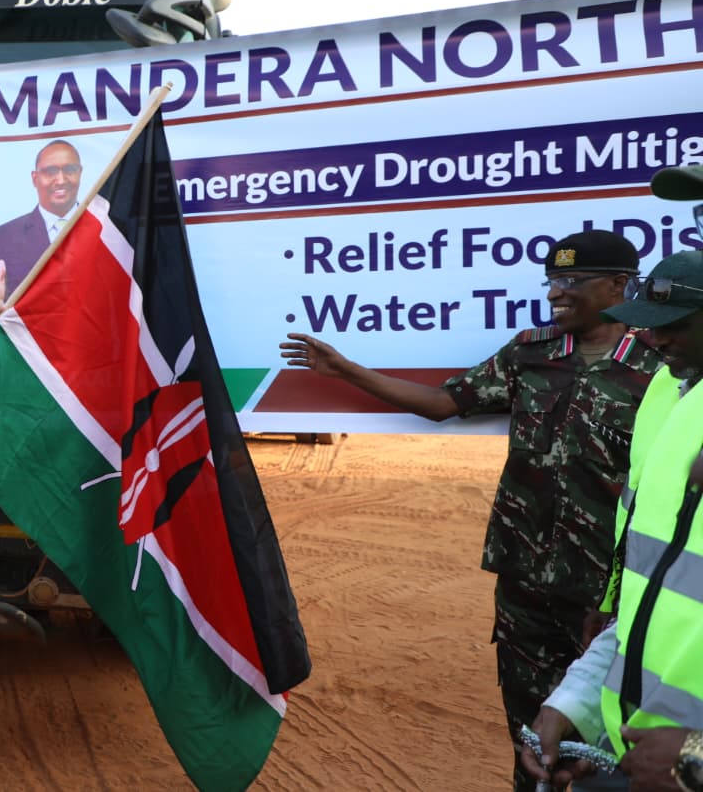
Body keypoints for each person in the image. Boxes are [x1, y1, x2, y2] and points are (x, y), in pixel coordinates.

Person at [279, 229, 663, 792]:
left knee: (605, 740)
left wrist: (618, 599)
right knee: (529, 732)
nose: (556, 293)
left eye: (571, 282)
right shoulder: (531, 352)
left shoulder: (660, 368)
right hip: (524, 584)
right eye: (552, 281)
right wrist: (346, 370)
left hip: (608, 595)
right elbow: (444, 403)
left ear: (617, 285)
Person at [521, 247, 703, 792]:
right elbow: (656, 590)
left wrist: (695, 756)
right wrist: (582, 707)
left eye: (677, 325)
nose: (657, 339)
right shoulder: (670, 400)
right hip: (636, 752)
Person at [0, 139, 83, 333]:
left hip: (90, 357)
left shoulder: (108, 229)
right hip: (27, 357)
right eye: (50, 171)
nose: (61, 180)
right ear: (35, 178)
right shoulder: (4, 238)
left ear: (80, 173)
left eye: (69, 170)